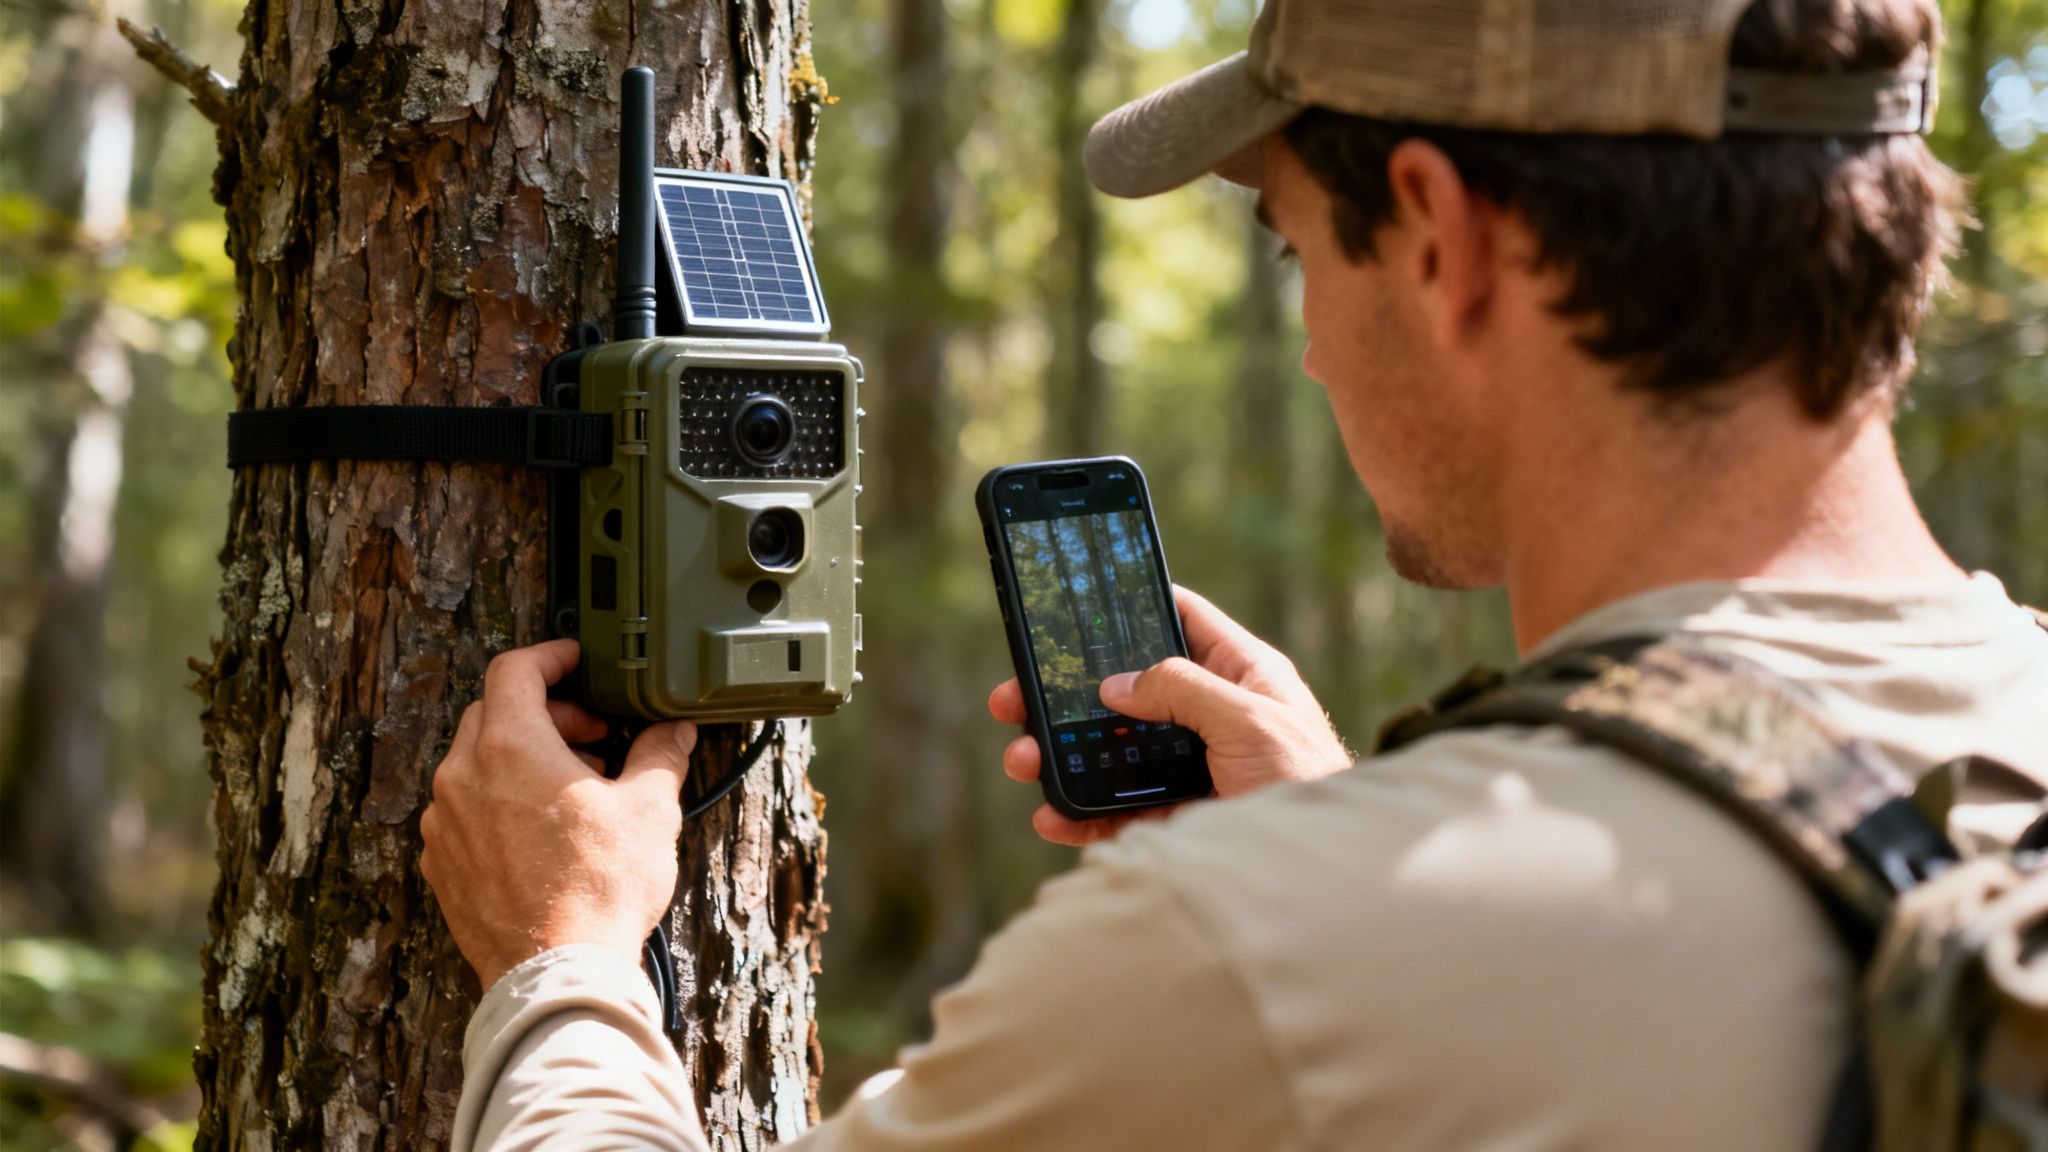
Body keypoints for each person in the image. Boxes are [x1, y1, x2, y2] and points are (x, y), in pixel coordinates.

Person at [419, 0, 2048, 1145]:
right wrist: (1353, 849)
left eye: (1297, 250)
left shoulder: (1261, 952)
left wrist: (560, 960)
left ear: (1437, 232)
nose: (1320, 352)